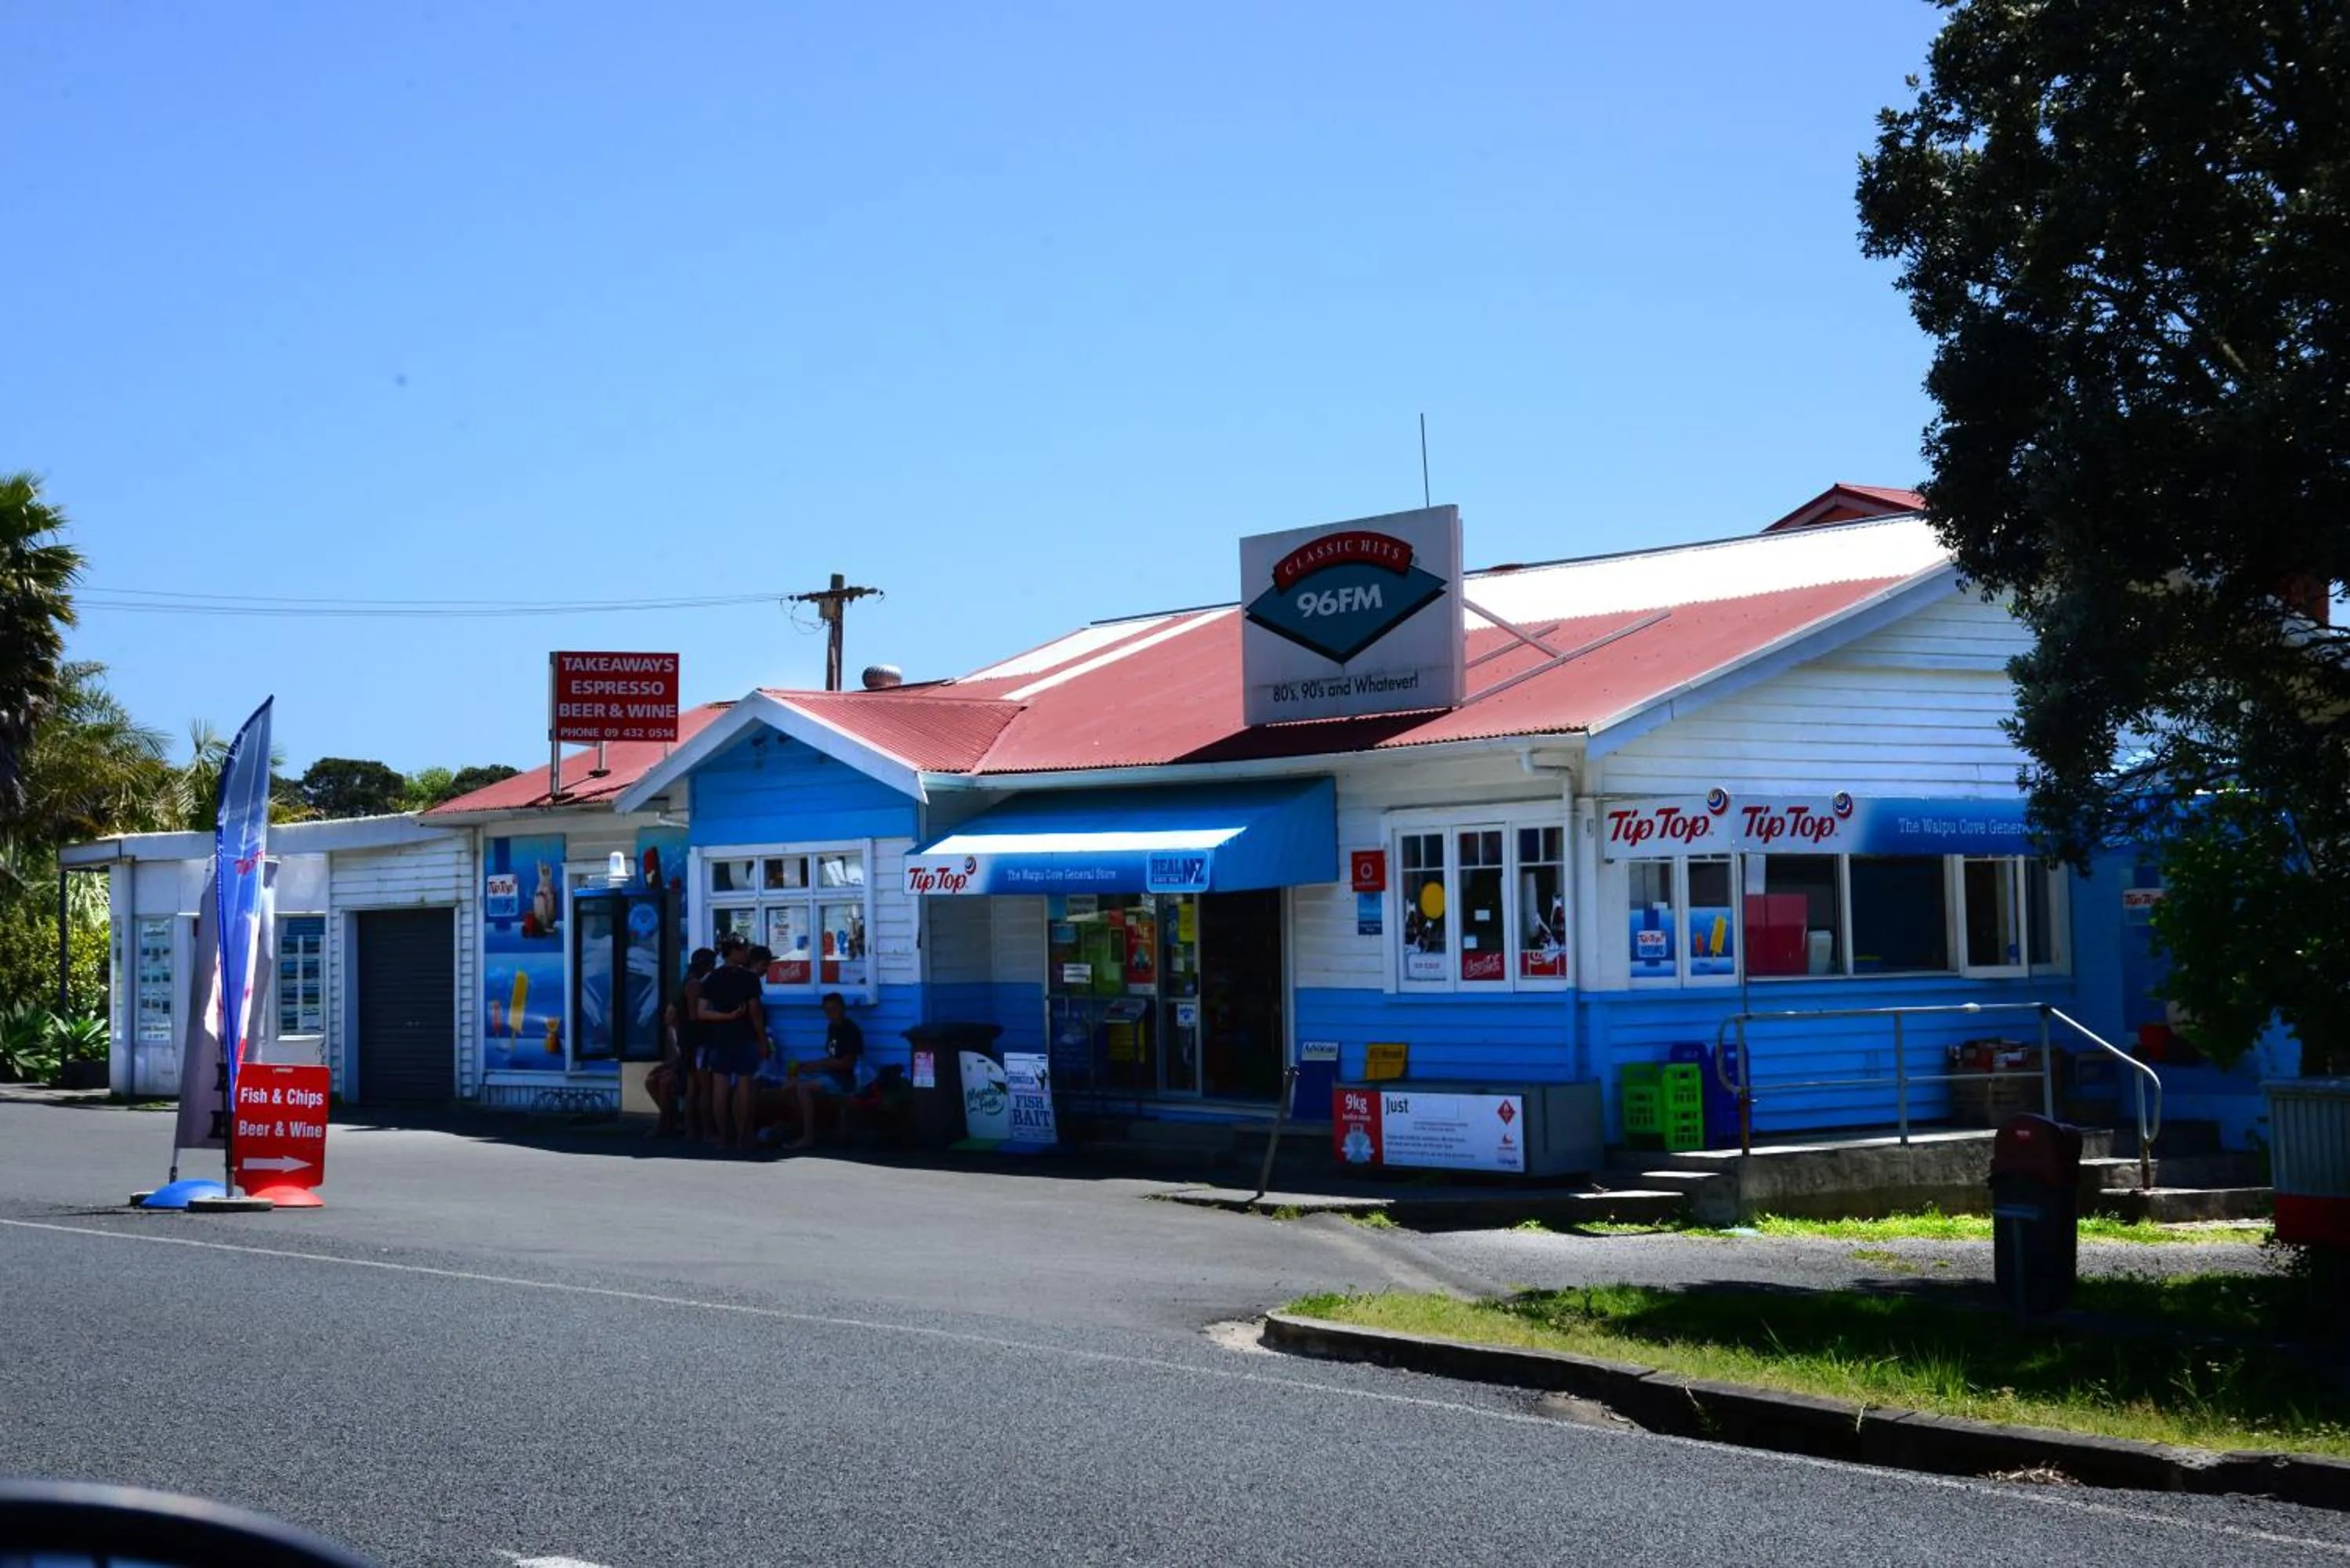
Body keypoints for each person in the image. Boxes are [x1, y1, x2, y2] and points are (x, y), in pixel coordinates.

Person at [696, 938, 767, 1154]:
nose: (746, 953)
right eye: (743, 950)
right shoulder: (749, 978)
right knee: (744, 1086)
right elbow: (754, 1011)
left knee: (720, 1088)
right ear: (733, 952)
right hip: (744, 1036)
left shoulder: (712, 978)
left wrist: (725, 1017)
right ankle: (741, 1135)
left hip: (719, 1037)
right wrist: (762, 1038)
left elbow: (701, 1012)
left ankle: (723, 1137)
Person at [783, 992, 865, 1151]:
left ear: (843, 1009)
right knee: (792, 1080)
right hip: (830, 1075)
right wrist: (808, 1066)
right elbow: (829, 1059)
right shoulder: (832, 1028)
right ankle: (795, 1128)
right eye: (827, 1010)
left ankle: (808, 1137)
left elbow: (846, 1065)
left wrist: (819, 1065)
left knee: (803, 1087)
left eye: (834, 1009)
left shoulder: (850, 1030)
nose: (831, 1014)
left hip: (844, 1081)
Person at [666, 947, 718, 1141]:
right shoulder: (695, 985)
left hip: (686, 1039)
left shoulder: (684, 983)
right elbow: (695, 1016)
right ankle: (706, 1131)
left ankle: (690, 1129)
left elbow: (671, 1016)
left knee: (692, 1086)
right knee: (703, 1086)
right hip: (696, 1040)